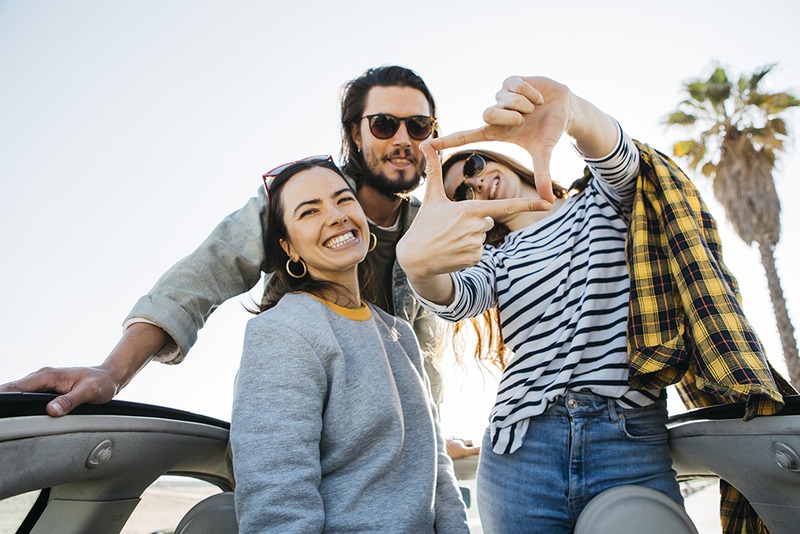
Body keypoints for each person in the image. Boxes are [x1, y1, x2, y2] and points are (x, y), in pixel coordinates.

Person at [0, 66, 467, 454]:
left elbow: (427, 353)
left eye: (419, 126)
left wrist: (433, 435)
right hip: (306, 434)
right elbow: (201, 275)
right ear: (354, 133)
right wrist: (113, 371)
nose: (403, 139)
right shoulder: (300, 200)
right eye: (385, 125)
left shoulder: (432, 227)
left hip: (395, 452)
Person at [230, 155, 468, 533]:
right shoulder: (282, 331)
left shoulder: (400, 334)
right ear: (288, 247)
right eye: (309, 212)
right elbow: (276, 499)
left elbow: (436, 469)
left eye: (343, 200)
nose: (336, 215)